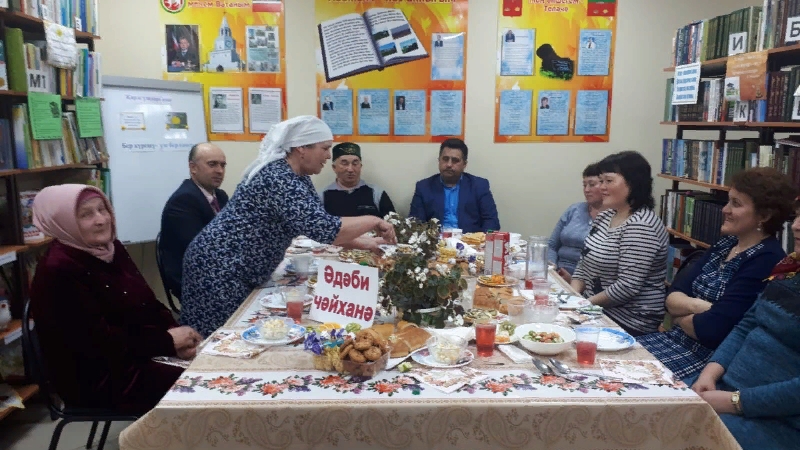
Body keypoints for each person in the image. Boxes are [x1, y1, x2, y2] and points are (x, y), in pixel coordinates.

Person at [180, 116, 396, 337]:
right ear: (302, 148)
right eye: (324, 148)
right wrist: (374, 220)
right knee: (216, 339)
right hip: (219, 268)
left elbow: (317, 226)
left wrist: (366, 243)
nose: (328, 156)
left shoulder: (298, 177)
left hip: (234, 266)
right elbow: (326, 229)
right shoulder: (279, 177)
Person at [29, 184, 202, 415]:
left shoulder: (110, 248)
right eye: (86, 214)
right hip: (99, 378)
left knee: (210, 363)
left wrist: (176, 336)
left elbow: (147, 302)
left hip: (134, 356)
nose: (101, 220)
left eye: (103, 209)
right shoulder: (58, 269)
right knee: (203, 384)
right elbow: (97, 344)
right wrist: (167, 342)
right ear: (63, 222)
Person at [638, 168, 794, 383]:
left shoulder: (767, 259)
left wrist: (680, 315)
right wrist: (702, 307)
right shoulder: (726, 243)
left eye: (736, 204)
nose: (725, 209)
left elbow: (712, 330)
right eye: (728, 201)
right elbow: (672, 296)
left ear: (764, 216)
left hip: (705, 361)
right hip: (672, 339)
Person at [692, 210, 800, 449]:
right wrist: (708, 375)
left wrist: (735, 402)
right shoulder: (788, 269)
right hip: (726, 389)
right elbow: (746, 325)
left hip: (778, 422)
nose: (796, 226)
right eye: (798, 216)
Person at [566, 151, 669, 336]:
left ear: (633, 183)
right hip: (594, 309)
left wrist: (581, 305)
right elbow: (583, 263)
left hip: (628, 320)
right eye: (601, 181)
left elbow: (627, 287)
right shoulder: (606, 215)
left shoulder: (641, 225)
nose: (601, 187)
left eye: (608, 181)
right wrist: (572, 298)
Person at [159, 143, 229, 298]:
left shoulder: (221, 196)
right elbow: (202, 252)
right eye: (212, 164)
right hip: (194, 282)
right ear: (193, 168)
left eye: (222, 165)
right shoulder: (184, 200)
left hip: (216, 271)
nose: (219, 170)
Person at [409, 138, 500, 233]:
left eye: (455, 160)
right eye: (445, 159)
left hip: (469, 240)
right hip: (436, 240)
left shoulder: (479, 186)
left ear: (464, 164)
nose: (449, 164)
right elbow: (415, 223)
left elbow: (492, 222)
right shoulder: (423, 187)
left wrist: (479, 240)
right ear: (439, 160)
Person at [548, 162, 603, 275]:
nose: (586, 190)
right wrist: (552, 268)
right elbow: (552, 245)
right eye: (584, 185)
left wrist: (573, 280)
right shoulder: (574, 209)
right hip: (558, 271)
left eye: (592, 184)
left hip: (584, 278)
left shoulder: (613, 217)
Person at [321, 142, 396, 218]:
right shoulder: (323, 197)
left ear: (360, 166)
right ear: (334, 167)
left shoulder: (377, 194)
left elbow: (394, 223)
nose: (350, 169)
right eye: (344, 163)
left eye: (355, 163)